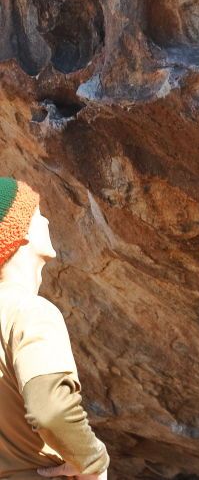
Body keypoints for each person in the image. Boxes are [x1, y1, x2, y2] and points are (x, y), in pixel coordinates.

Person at [0, 177, 110, 479]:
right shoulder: (29, 312)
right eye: (36, 214)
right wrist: (92, 461)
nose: (46, 219)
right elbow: (50, 410)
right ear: (18, 232)